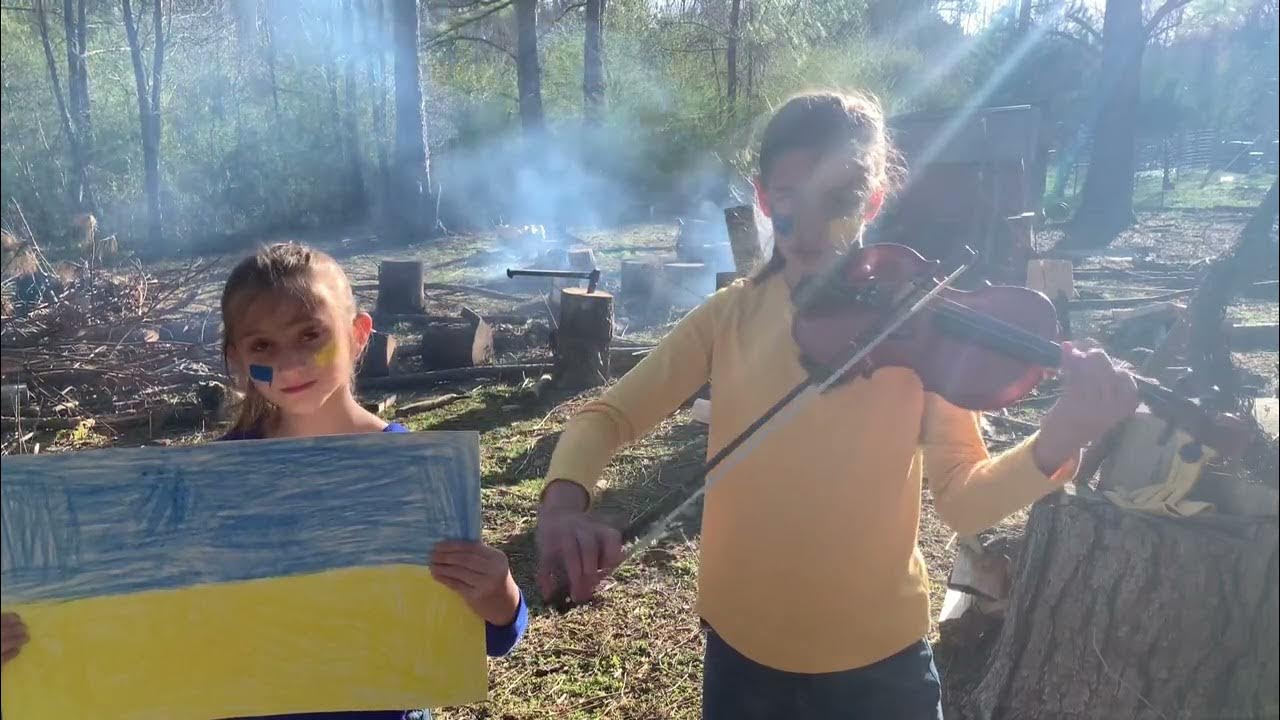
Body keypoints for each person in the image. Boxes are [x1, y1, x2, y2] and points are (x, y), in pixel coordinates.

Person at [532, 91, 1139, 719]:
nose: (814, 228)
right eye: (790, 200)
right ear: (764, 199)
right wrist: (562, 504)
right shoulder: (730, 317)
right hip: (742, 658)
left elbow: (962, 499)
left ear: (873, 203)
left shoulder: (919, 328)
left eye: (841, 201)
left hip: (879, 670)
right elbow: (607, 417)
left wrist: (1060, 438)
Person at [0, 242, 528, 720]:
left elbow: (490, 636)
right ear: (237, 360)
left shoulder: (415, 474)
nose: (290, 363)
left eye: (310, 335)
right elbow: (142, 635)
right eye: (263, 346)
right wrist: (28, 641)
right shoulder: (208, 484)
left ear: (358, 334)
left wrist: (498, 592)